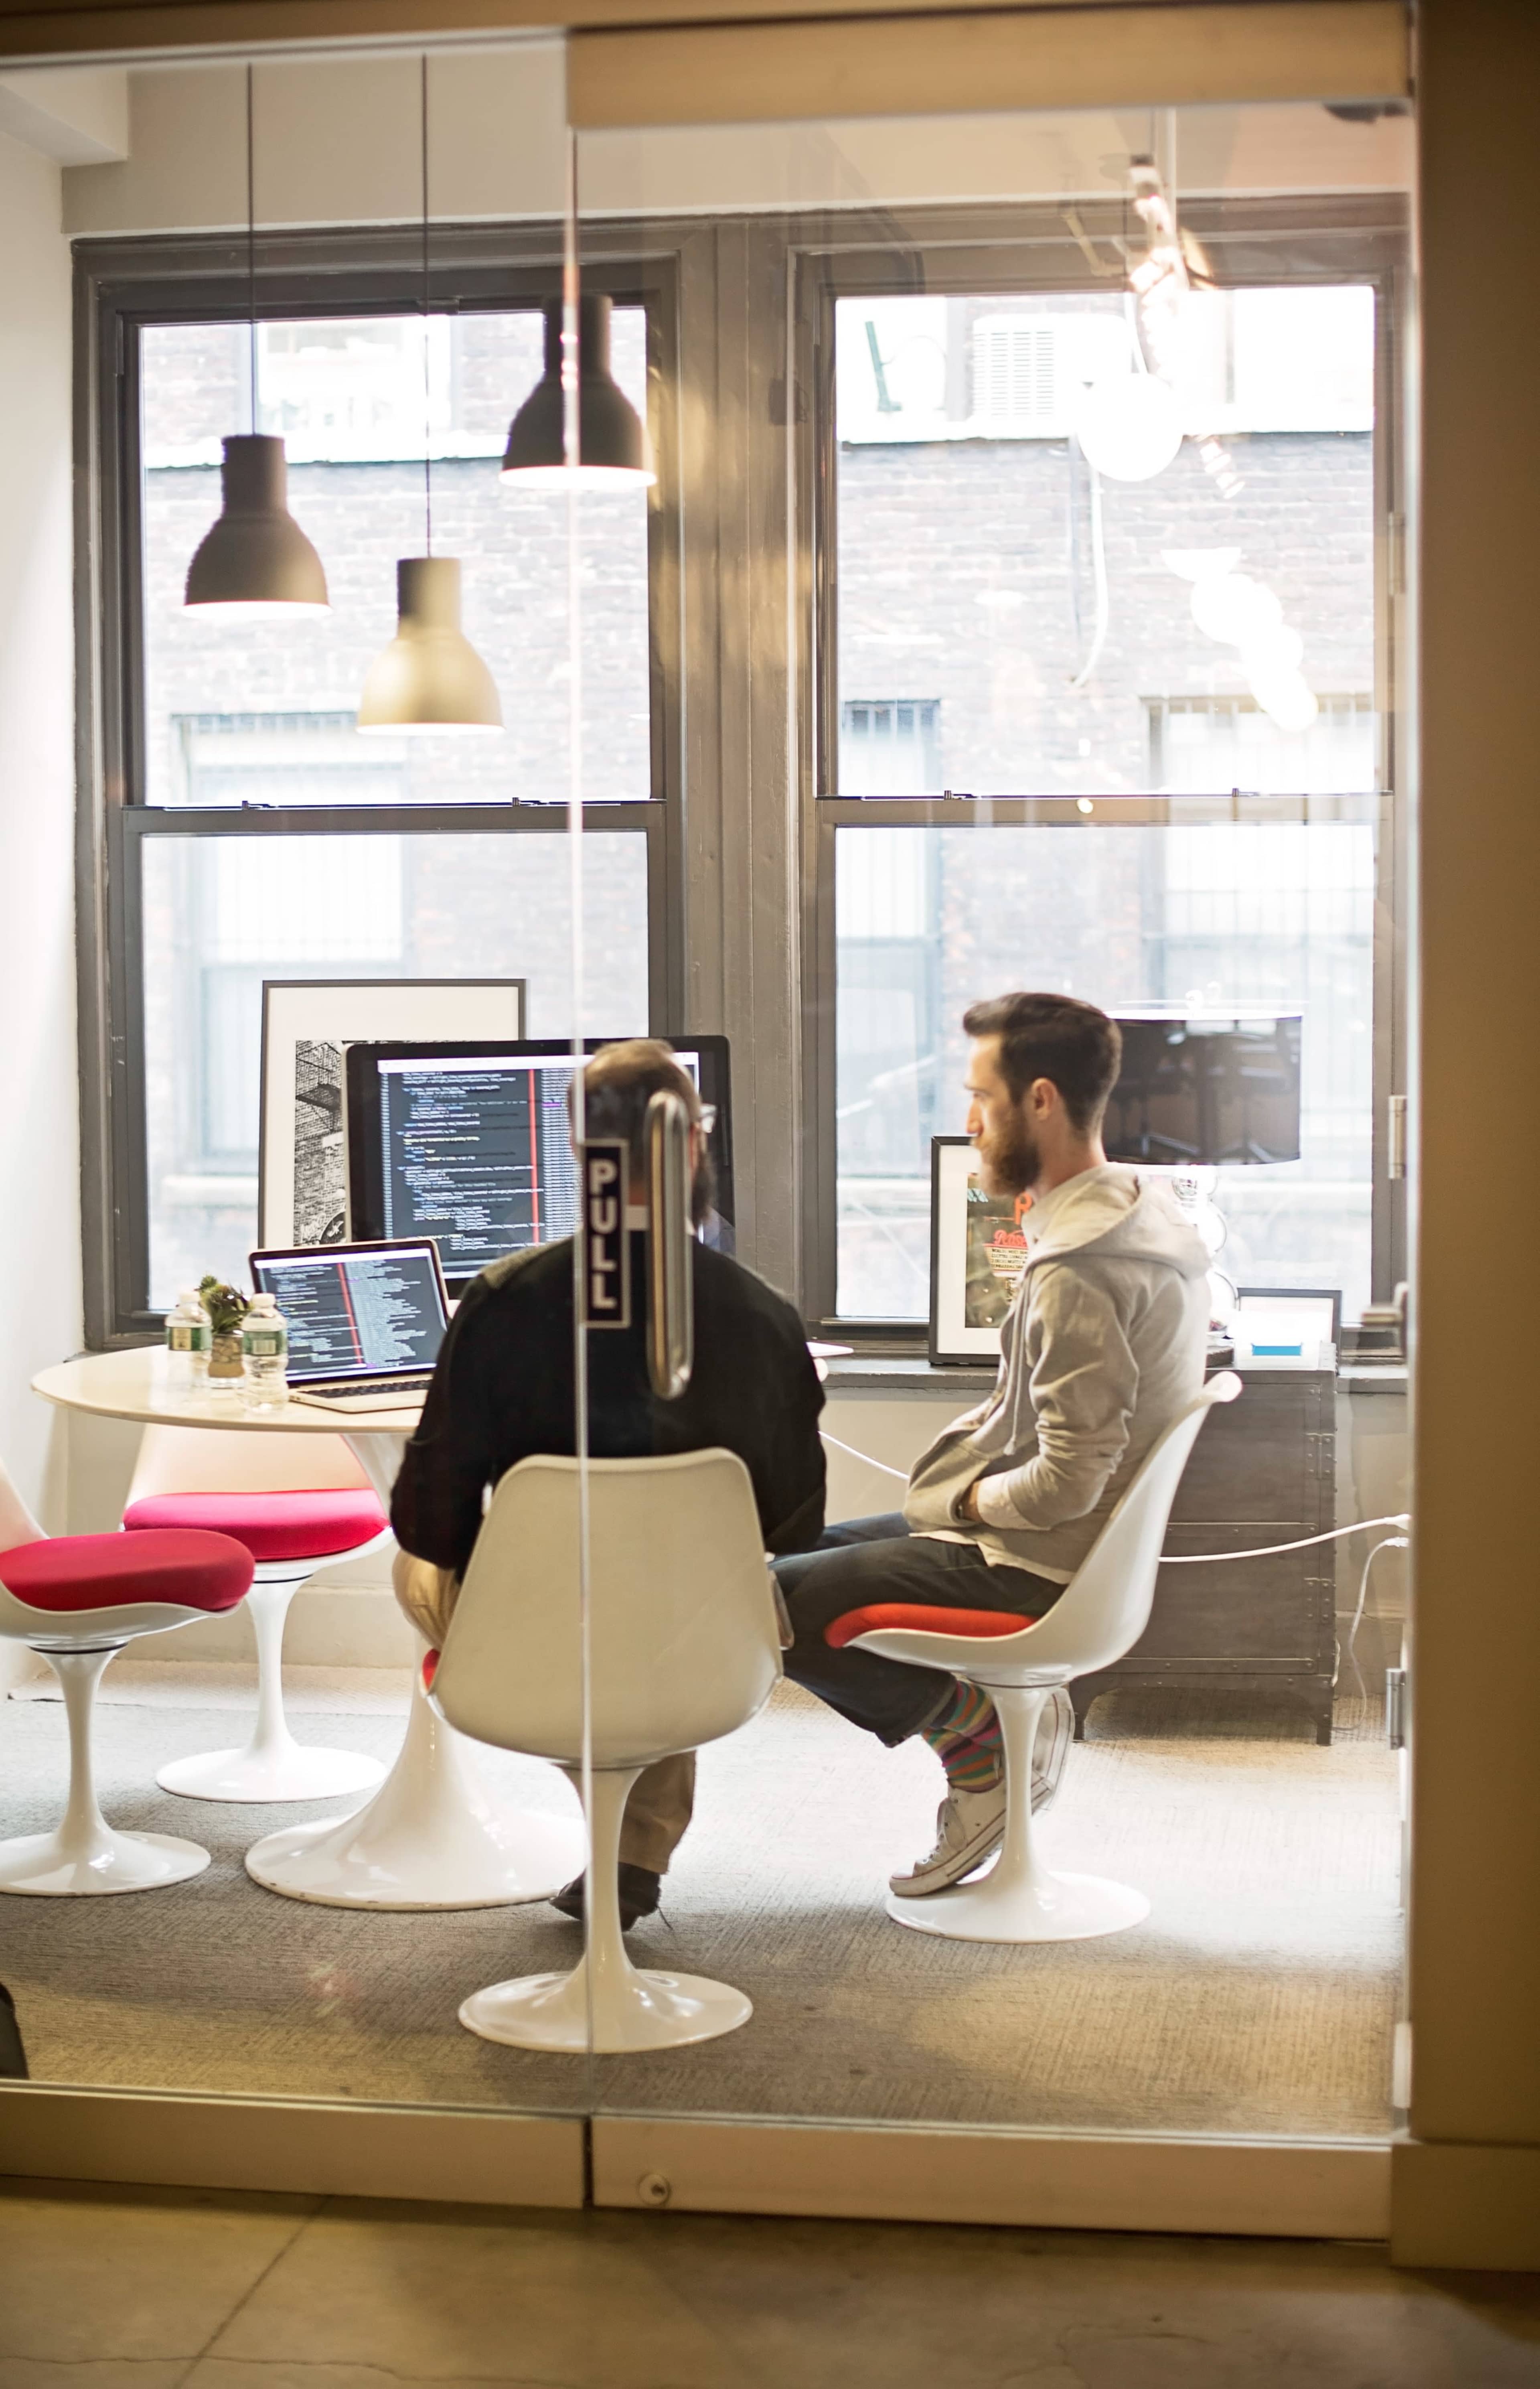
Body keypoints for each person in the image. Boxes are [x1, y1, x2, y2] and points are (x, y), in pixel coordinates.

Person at [776, 991, 1210, 1898]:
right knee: (778, 1557)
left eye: (982, 1095)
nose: (969, 1122)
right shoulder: (1136, 1207)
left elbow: (1067, 1477)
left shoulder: (1082, 1267)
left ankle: (980, 1754)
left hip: (1037, 1564)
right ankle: (994, 1735)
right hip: (1058, 1549)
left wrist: (967, 1500)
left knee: (768, 1605)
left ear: (1041, 1100)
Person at [390, 1038, 826, 1928]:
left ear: (579, 1151)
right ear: (694, 1148)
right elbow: (797, 1524)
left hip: (537, 1628)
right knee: (661, 1594)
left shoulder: (504, 1300)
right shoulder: (764, 1315)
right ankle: (633, 1843)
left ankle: (614, 1824)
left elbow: (431, 1520)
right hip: (698, 1635)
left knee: (427, 1570)